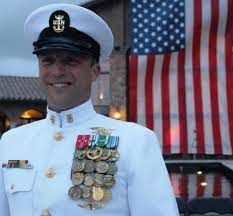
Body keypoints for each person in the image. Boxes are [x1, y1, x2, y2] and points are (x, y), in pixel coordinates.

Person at [0, 3, 179, 216]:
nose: (57, 71)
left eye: (70, 61)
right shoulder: (11, 142)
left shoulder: (136, 142)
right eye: (48, 61)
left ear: (95, 71)